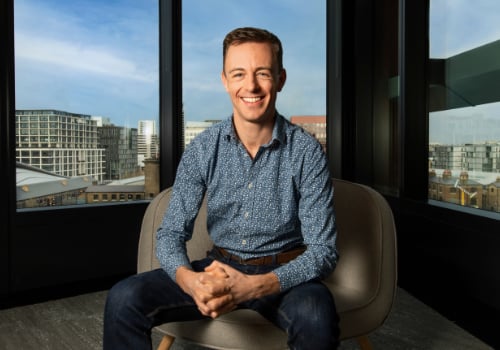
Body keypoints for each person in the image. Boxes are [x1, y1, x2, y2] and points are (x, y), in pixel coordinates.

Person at [103, 26, 340, 350]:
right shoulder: (202, 149)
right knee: (123, 298)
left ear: (280, 79)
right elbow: (171, 233)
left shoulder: (307, 152)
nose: (251, 86)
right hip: (218, 267)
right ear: (225, 80)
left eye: (263, 73)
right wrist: (191, 280)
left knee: (316, 314)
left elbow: (323, 251)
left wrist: (254, 287)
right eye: (238, 74)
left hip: (284, 274)